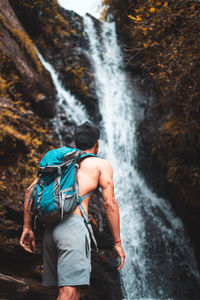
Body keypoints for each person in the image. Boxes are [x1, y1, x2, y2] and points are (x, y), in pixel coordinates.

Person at [20, 121, 126, 300]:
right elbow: (109, 203)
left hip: (51, 231)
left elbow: (30, 191)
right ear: (97, 144)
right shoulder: (100, 164)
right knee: (68, 294)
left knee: (72, 293)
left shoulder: (62, 161)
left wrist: (27, 228)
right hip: (73, 229)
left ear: (76, 143)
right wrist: (117, 242)